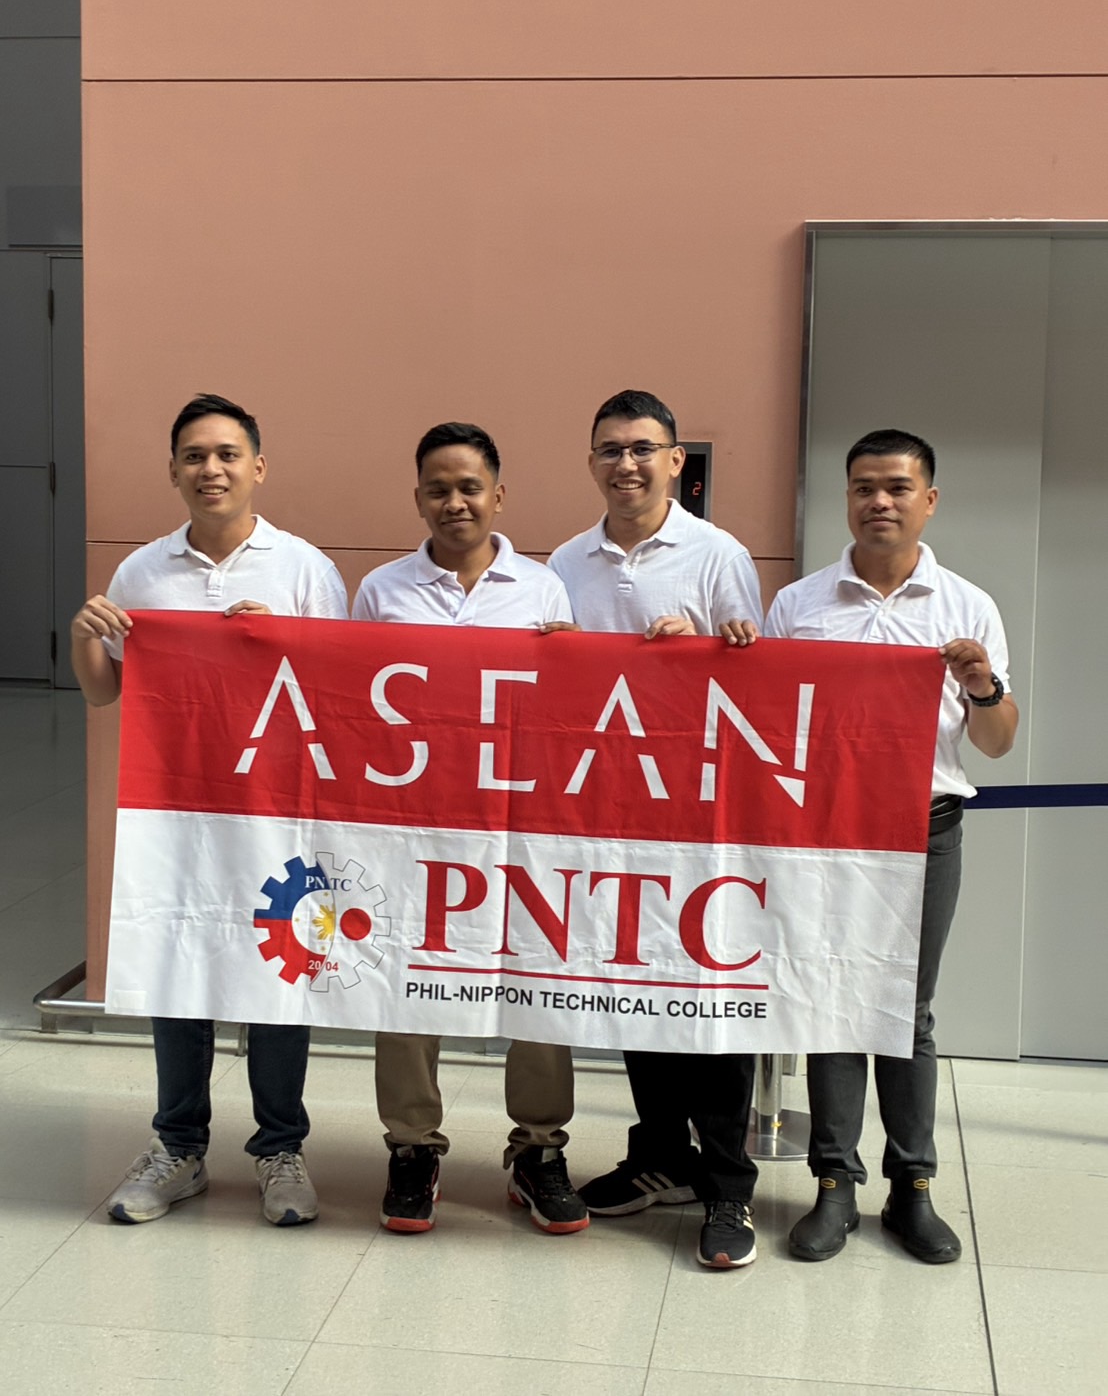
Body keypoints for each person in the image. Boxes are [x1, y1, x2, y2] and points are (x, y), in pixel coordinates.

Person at [71, 393, 349, 1226]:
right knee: (178, 962)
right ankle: (179, 1146)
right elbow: (105, 690)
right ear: (173, 471)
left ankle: (280, 1148)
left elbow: (341, 694)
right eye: (195, 455)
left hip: (278, 808)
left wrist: (283, 641)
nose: (211, 469)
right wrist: (84, 638)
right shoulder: (141, 571)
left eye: (228, 454)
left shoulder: (304, 569)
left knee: (278, 971)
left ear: (258, 467)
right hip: (178, 810)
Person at [766, 427, 1018, 1264]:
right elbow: (772, 724)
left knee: (909, 1012)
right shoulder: (800, 605)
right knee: (833, 1001)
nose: (880, 501)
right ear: (847, 498)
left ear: (929, 500)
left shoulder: (967, 606)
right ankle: (834, 1184)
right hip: (828, 833)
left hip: (925, 827)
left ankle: (914, 1186)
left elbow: (997, 743)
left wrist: (982, 685)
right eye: (864, 487)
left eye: (898, 487)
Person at [352, 421, 588, 1237]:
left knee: (534, 976)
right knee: (408, 976)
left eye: (469, 487)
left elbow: (565, 708)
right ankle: (412, 1145)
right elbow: (355, 704)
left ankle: (538, 1148)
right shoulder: (381, 590)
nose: (455, 502)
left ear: (499, 495)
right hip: (414, 822)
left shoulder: (545, 589)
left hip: (521, 823)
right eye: (438, 489)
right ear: (418, 497)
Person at [548, 388, 764, 1270]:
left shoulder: (719, 554)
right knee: (636, 982)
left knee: (711, 990)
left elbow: (753, 680)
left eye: (644, 448)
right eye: (610, 449)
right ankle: (662, 1156)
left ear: (677, 460)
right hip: (611, 812)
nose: (626, 463)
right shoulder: (565, 560)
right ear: (591, 461)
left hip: (702, 816)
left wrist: (701, 649)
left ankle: (729, 1180)